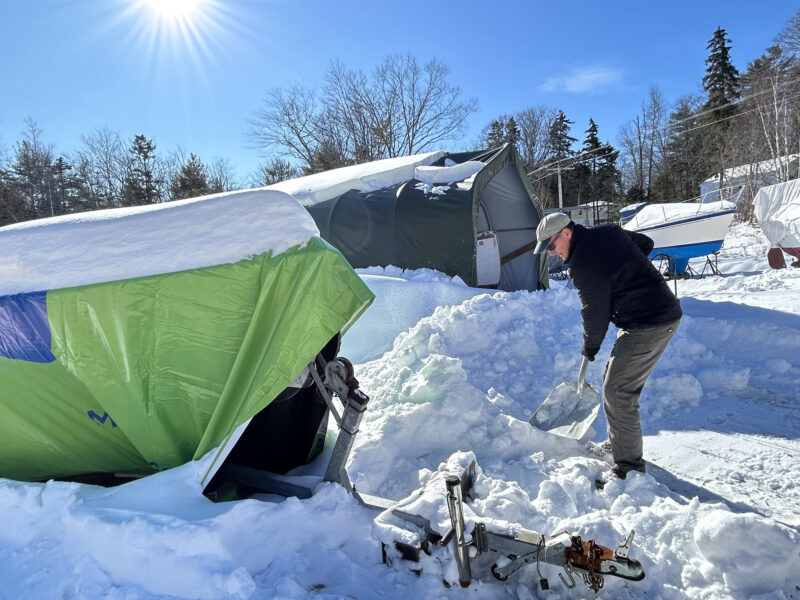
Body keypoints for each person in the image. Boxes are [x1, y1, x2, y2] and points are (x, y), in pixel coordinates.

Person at [534, 212, 682, 479]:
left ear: (566, 233)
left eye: (552, 246)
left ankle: (629, 468)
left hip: (649, 322)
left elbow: (595, 312)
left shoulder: (583, 264)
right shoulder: (607, 232)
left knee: (618, 391)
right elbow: (644, 244)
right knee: (613, 381)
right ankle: (620, 444)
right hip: (653, 316)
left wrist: (590, 349)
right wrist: (627, 271)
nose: (553, 253)